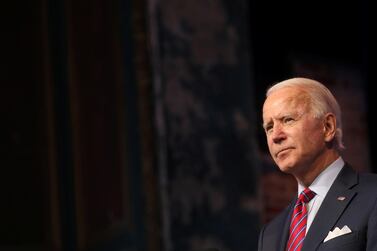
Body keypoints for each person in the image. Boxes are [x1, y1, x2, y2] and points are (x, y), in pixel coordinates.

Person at [257, 77, 377, 251]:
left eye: (288, 119)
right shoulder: (270, 234)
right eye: (269, 127)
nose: (276, 136)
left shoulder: (373, 195)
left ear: (327, 127)